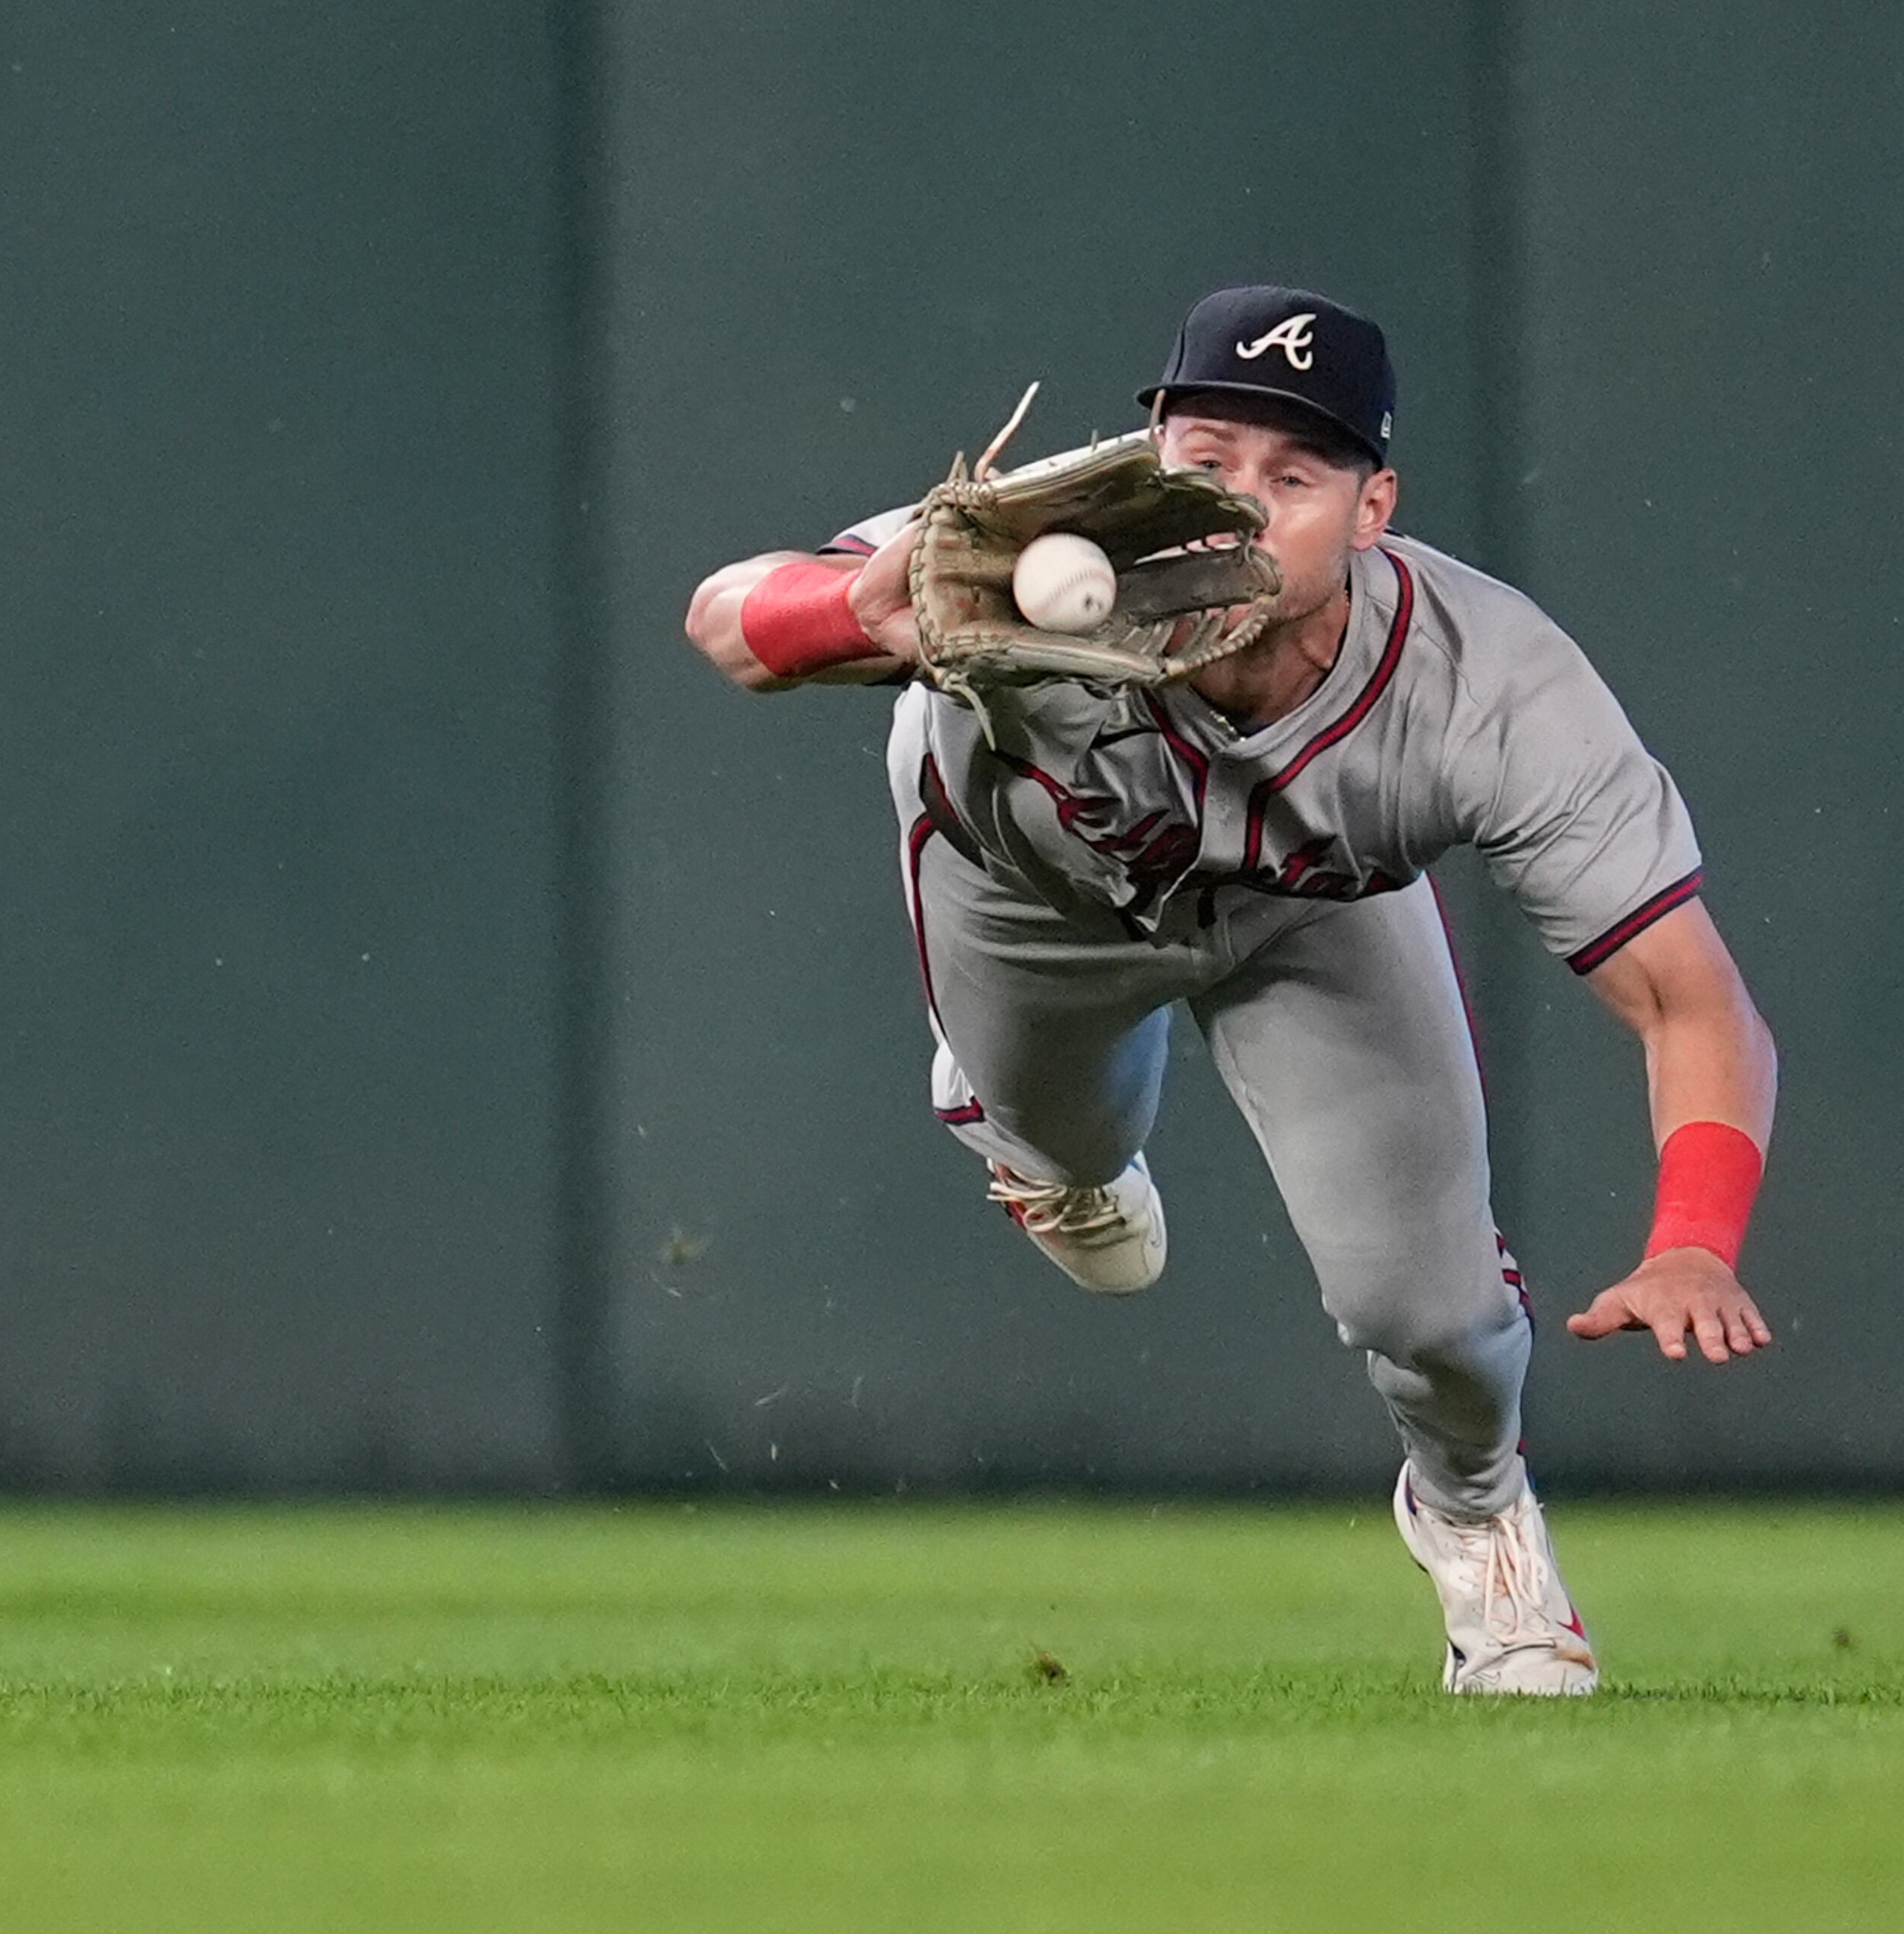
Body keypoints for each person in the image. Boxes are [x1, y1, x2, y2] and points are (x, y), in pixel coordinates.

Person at [684, 286, 1778, 1695]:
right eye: (1207, 461)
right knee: (1075, 1160)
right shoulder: (1023, 541)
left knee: (1435, 1317)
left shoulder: (1489, 684)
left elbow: (1690, 997)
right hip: (1034, 905)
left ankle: (1478, 1517)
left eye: (1294, 476)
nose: (1241, 507)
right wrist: (848, 607)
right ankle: (1021, 1125)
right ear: (1149, 451)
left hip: (1314, 919)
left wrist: (1696, 1233)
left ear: (1373, 507)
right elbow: (722, 617)